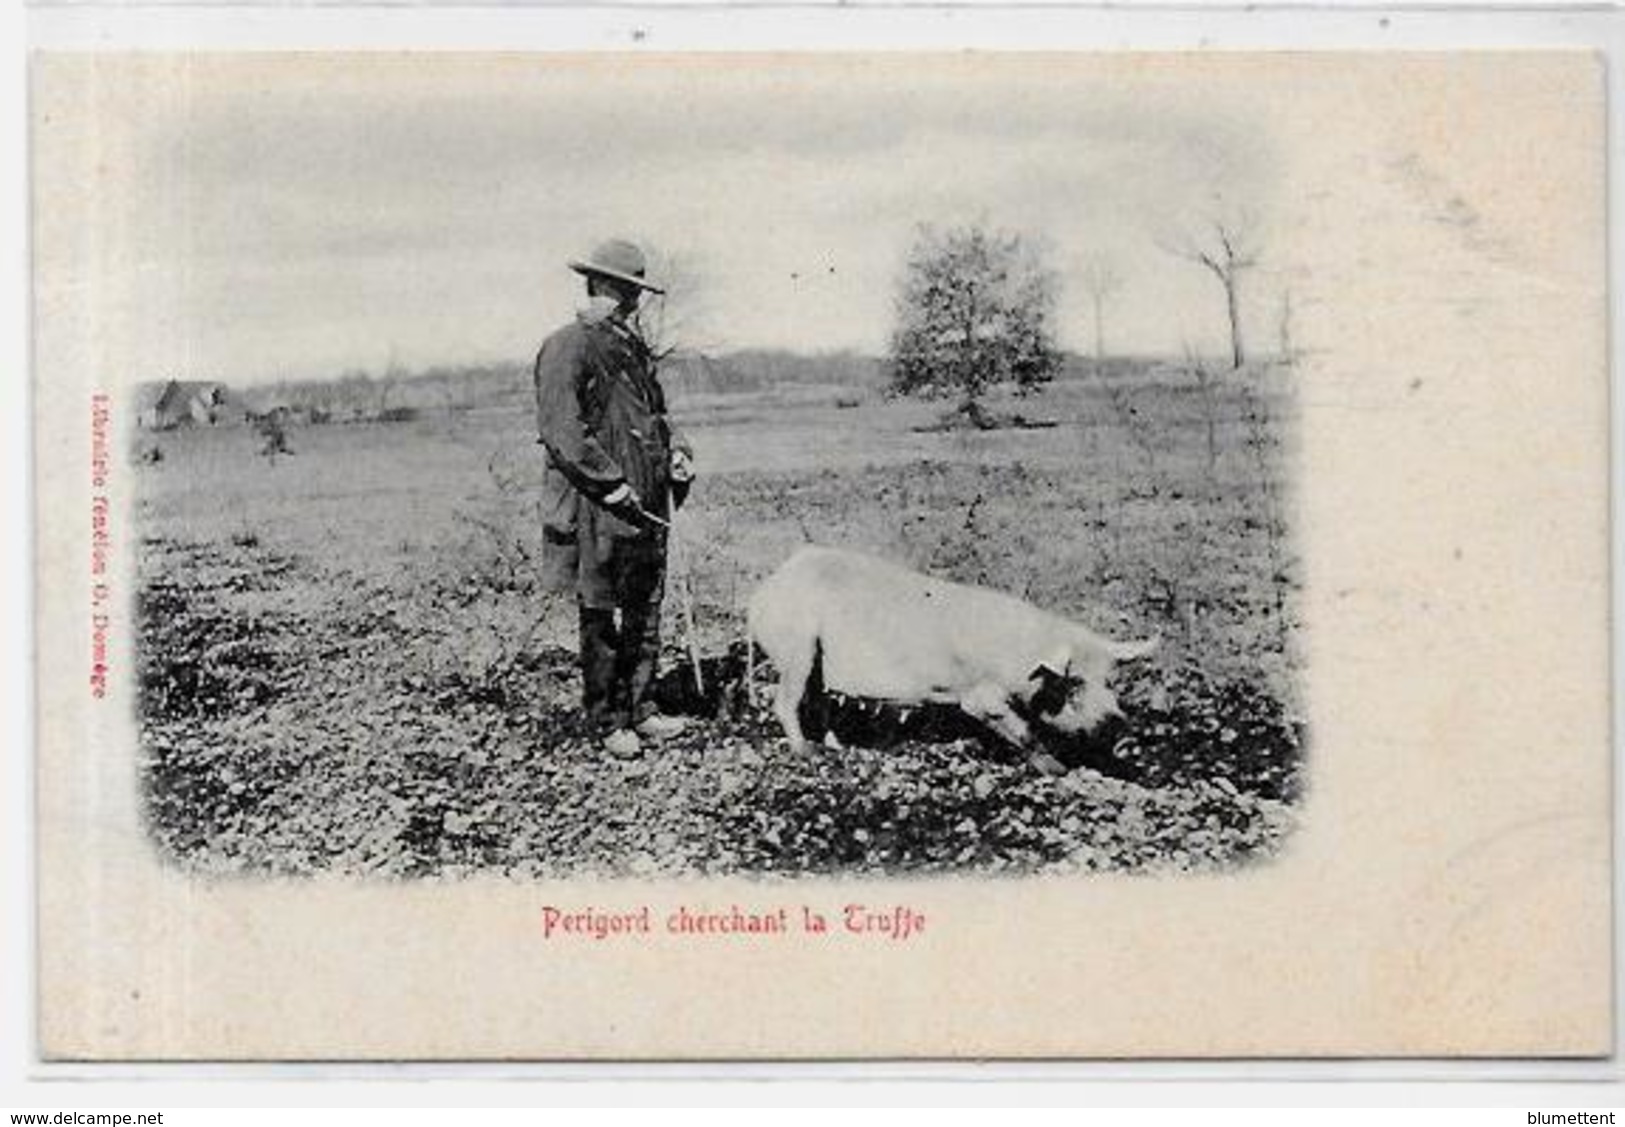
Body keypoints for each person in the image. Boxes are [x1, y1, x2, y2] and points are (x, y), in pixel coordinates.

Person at [533, 238, 696, 757]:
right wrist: (610, 482)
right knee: (601, 612)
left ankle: (642, 708)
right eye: (618, 289)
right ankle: (606, 720)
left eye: (631, 291)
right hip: (595, 506)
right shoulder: (567, 346)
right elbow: (563, 431)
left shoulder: (635, 350)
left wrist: (678, 455)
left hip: (647, 501)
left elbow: (658, 419)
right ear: (593, 286)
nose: (626, 300)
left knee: (645, 604)